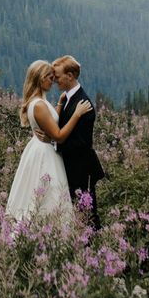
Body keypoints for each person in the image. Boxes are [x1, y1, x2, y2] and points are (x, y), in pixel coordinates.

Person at [5, 60, 92, 226]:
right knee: (47, 195)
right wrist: (77, 114)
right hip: (44, 152)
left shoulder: (39, 102)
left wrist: (59, 104)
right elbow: (58, 135)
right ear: (41, 78)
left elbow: (51, 122)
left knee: (42, 193)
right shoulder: (39, 105)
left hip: (41, 148)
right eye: (50, 78)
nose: (53, 82)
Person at [53, 54, 105, 229]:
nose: (55, 80)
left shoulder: (83, 104)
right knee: (77, 211)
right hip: (74, 166)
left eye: (58, 76)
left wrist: (56, 144)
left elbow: (82, 143)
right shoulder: (68, 98)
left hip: (81, 168)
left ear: (70, 76)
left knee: (87, 212)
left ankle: (93, 248)